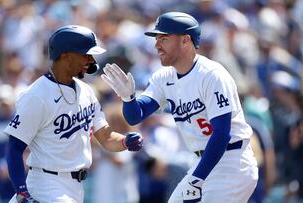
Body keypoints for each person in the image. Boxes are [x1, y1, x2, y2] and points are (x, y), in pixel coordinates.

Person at [101, 12, 258, 203]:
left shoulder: (212, 75)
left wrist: (197, 178)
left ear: (185, 40)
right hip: (204, 162)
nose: (157, 45)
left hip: (232, 162)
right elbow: (135, 116)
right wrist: (128, 98)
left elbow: (222, 134)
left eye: (164, 38)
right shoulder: (164, 77)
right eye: (157, 38)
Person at [4, 25, 143, 203]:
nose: (91, 60)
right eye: (86, 54)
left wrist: (125, 141)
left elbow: (106, 137)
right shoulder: (37, 95)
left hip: (76, 187)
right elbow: (14, 147)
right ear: (65, 55)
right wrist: (22, 192)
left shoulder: (86, 91)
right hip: (46, 184)